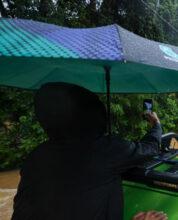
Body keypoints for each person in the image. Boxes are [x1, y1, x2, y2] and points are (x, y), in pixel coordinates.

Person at [12, 82, 167, 220]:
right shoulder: (106, 149)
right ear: (94, 114)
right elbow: (150, 148)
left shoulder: (36, 156)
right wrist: (156, 124)